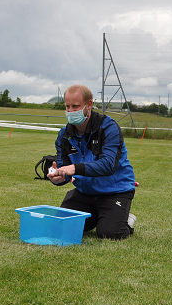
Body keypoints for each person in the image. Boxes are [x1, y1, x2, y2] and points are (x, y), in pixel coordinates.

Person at [48, 84, 136, 240]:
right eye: (67, 106)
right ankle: (100, 216)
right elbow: (64, 169)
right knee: (63, 226)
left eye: (75, 106)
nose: (70, 111)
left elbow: (108, 165)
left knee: (110, 233)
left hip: (115, 190)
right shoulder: (64, 135)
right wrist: (58, 178)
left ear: (89, 104)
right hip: (85, 192)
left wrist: (73, 169)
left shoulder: (108, 128)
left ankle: (125, 219)